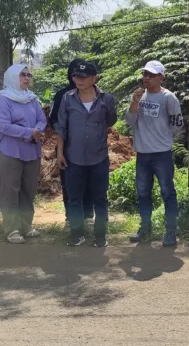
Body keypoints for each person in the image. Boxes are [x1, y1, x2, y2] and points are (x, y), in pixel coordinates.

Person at [55, 61, 117, 247]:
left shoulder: (106, 99)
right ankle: (77, 234)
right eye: (75, 77)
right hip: (73, 158)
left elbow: (110, 120)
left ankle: (100, 236)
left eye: (82, 77)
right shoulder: (67, 98)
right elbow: (61, 127)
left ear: (94, 78)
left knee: (100, 198)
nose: (78, 80)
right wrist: (60, 153)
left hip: (99, 157)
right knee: (74, 198)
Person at [124, 60, 184, 246]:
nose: (146, 78)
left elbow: (177, 124)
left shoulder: (168, 98)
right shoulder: (139, 97)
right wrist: (134, 102)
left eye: (151, 75)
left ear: (161, 77)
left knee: (167, 192)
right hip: (143, 154)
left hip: (162, 154)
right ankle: (145, 227)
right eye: (145, 74)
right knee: (143, 193)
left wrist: (165, 139)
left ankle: (171, 232)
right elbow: (129, 120)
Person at [0, 65, 47, 244]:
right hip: (9, 151)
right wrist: (30, 132)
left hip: (31, 150)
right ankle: (12, 228)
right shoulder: (2, 99)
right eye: (22, 74)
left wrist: (36, 131)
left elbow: (42, 119)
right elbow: (4, 126)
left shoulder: (31, 98)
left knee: (28, 191)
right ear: (12, 77)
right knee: (9, 191)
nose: (27, 77)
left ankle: (26, 225)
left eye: (29, 74)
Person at [49, 58, 93, 228]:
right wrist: (64, 132)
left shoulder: (95, 94)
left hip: (90, 147)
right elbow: (52, 118)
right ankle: (70, 217)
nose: (78, 77)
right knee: (69, 182)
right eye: (74, 72)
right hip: (66, 146)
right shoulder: (62, 95)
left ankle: (88, 215)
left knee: (89, 180)